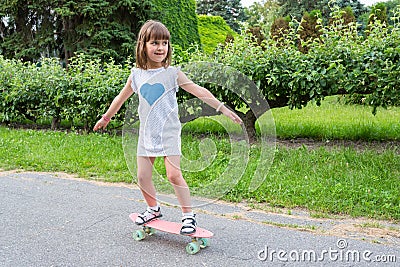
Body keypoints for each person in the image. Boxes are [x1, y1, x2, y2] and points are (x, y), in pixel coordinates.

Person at [93, 20, 242, 235]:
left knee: (173, 175)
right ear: (143, 45)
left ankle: (188, 215)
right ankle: (153, 209)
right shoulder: (136, 75)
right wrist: (106, 118)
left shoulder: (172, 73)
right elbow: (121, 97)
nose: (161, 47)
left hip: (169, 131)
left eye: (164, 43)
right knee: (143, 176)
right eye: (155, 42)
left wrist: (223, 108)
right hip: (147, 132)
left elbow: (199, 91)